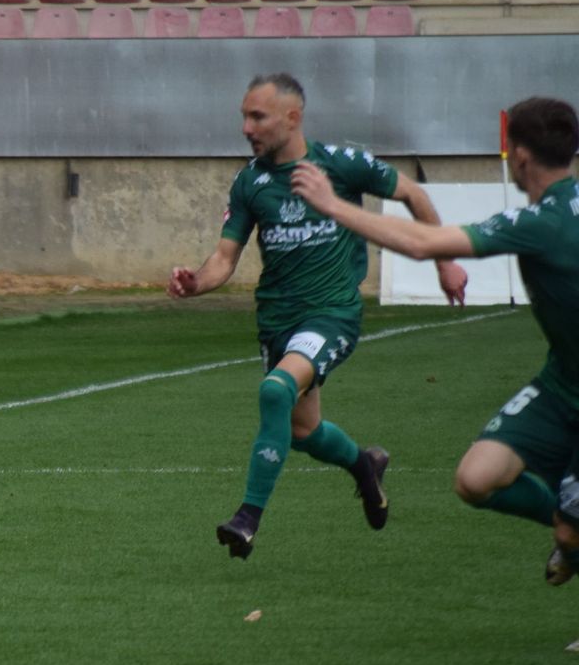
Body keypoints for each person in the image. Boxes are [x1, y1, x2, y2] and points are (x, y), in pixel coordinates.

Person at [169, 72, 469, 559]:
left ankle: (247, 518)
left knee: (275, 390)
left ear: (292, 117)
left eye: (257, 116)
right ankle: (364, 466)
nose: (246, 127)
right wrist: (195, 282)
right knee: (302, 431)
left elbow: (411, 193)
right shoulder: (250, 182)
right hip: (277, 321)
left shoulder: (341, 165)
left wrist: (445, 260)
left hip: (332, 314)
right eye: (243, 116)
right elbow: (225, 258)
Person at [292, 96, 579, 587]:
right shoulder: (550, 215)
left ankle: (572, 532)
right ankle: (568, 522)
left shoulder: (544, 223)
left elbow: (423, 244)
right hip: (563, 382)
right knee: (476, 478)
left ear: (521, 156)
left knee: (572, 536)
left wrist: (330, 204)